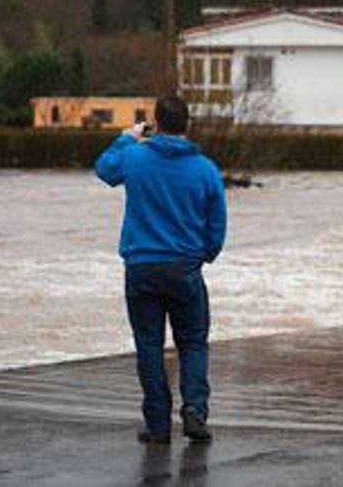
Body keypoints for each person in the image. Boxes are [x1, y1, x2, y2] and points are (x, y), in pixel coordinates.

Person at [95, 95, 226, 444]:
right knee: (193, 342)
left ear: (156, 122)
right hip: (185, 267)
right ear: (188, 124)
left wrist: (127, 137)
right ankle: (195, 412)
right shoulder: (206, 170)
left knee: (149, 346)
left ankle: (158, 425)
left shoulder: (135, 158)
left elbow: (104, 169)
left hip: (141, 266)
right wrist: (204, 256)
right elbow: (217, 226)